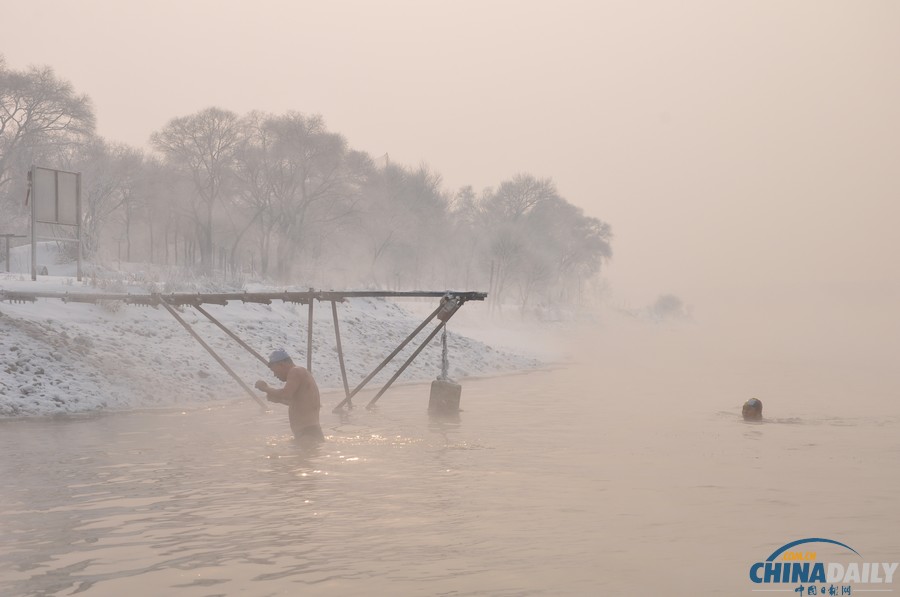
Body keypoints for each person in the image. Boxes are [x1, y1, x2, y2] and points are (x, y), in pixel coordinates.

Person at [255, 349, 324, 442]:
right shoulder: (301, 372)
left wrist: (266, 388)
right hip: (309, 433)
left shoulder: (295, 371)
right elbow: (300, 403)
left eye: (274, 371)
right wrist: (278, 399)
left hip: (307, 434)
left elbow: (285, 394)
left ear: (281, 365)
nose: (275, 375)